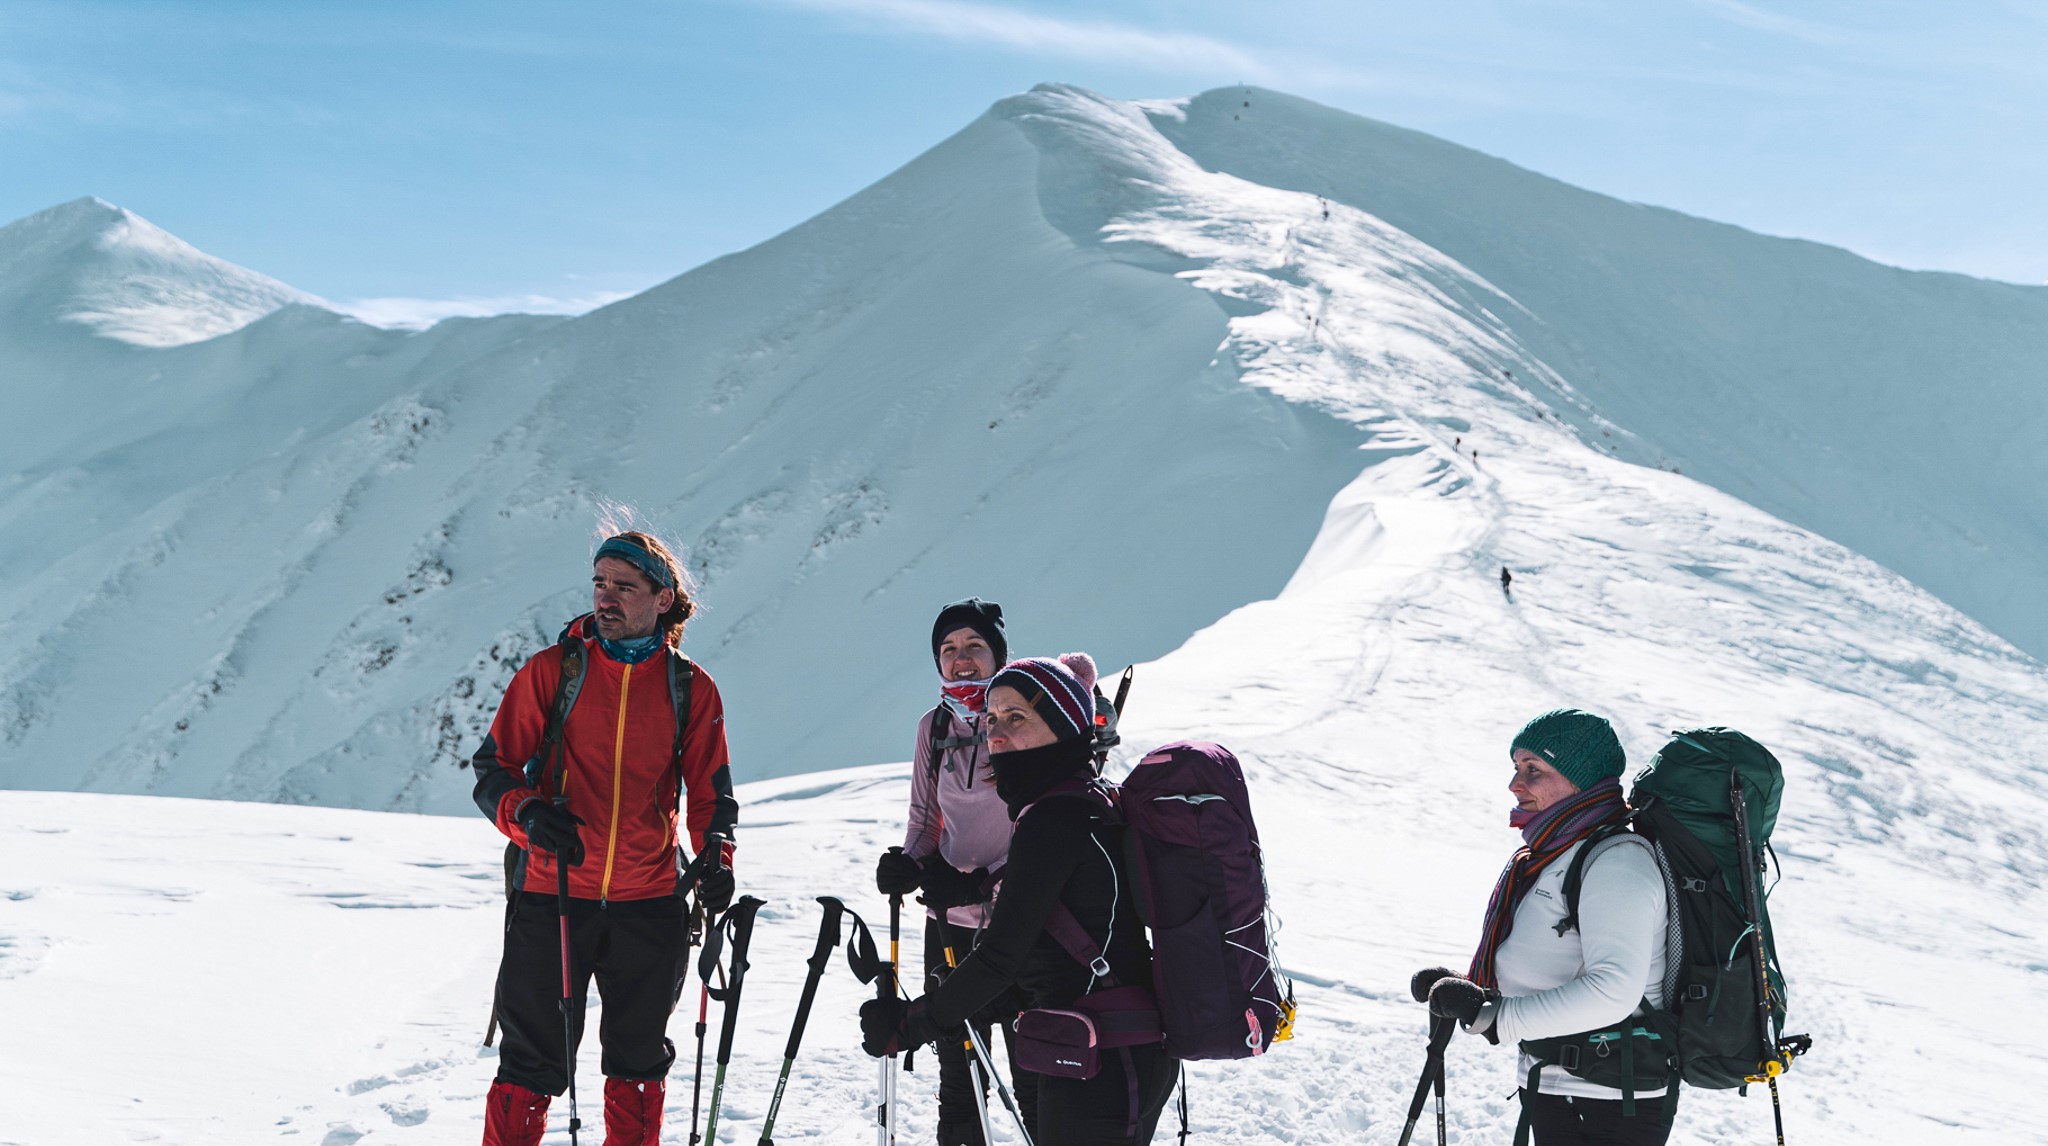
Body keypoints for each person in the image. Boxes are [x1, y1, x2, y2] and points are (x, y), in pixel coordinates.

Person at [469, 529, 739, 1146]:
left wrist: (715, 858)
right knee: (531, 1063)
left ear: (662, 600)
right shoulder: (551, 672)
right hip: (551, 893)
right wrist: (528, 817)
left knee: (638, 1062)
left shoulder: (690, 687)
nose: (606, 598)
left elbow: (710, 792)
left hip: (649, 903)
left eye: (624, 587)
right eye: (599, 584)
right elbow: (493, 770)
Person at [862, 654, 1179, 1146]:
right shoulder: (1084, 800)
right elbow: (1047, 951)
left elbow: (999, 957)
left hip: (1102, 1061)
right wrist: (971, 1005)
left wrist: (910, 1023)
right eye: (991, 719)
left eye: (1017, 717)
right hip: (1113, 1046)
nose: (997, 734)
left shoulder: (1054, 818)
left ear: (1062, 723)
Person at [1417, 709, 1673, 1146]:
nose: (1515, 784)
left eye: (1534, 770)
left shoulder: (1618, 863)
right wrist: (1474, 992)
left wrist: (1496, 1017)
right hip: (1559, 1080)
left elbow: (1614, 989)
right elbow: (1549, 964)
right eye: (1517, 768)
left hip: (1610, 1096)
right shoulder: (1557, 852)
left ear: (1582, 780)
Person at [874, 599, 1036, 1146]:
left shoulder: (1025, 720)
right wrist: (910, 862)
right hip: (951, 924)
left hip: (1024, 924)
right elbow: (925, 820)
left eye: (974, 647)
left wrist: (980, 882)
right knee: (959, 1071)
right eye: (948, 649)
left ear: (997, 655)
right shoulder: (934, 726)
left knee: (1033, 1072)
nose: (960, 659)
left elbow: (1046, 829)